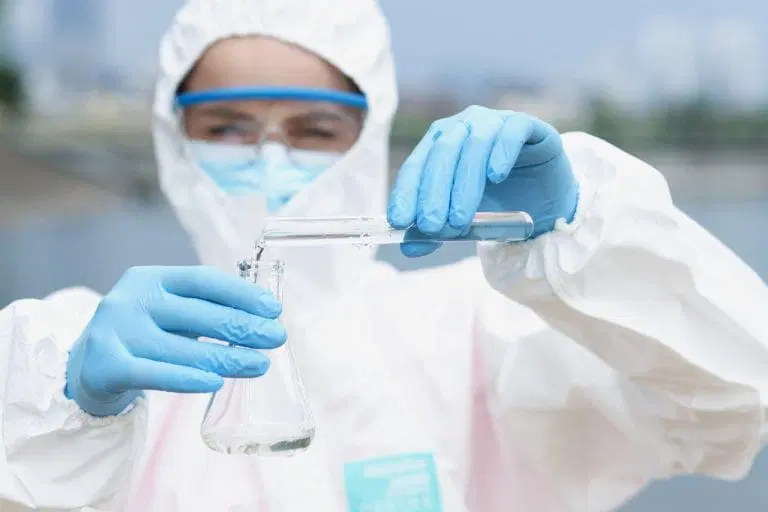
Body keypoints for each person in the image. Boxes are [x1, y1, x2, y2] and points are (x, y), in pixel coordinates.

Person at [1, 0, 767, 510]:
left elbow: (733, 404)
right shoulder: (79, 354)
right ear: (174, 141)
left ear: (368, 139)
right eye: (228, 127)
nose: (271, 159)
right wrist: (73, 414)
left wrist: (586, 238)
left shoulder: (469, 331)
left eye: (314, 130)